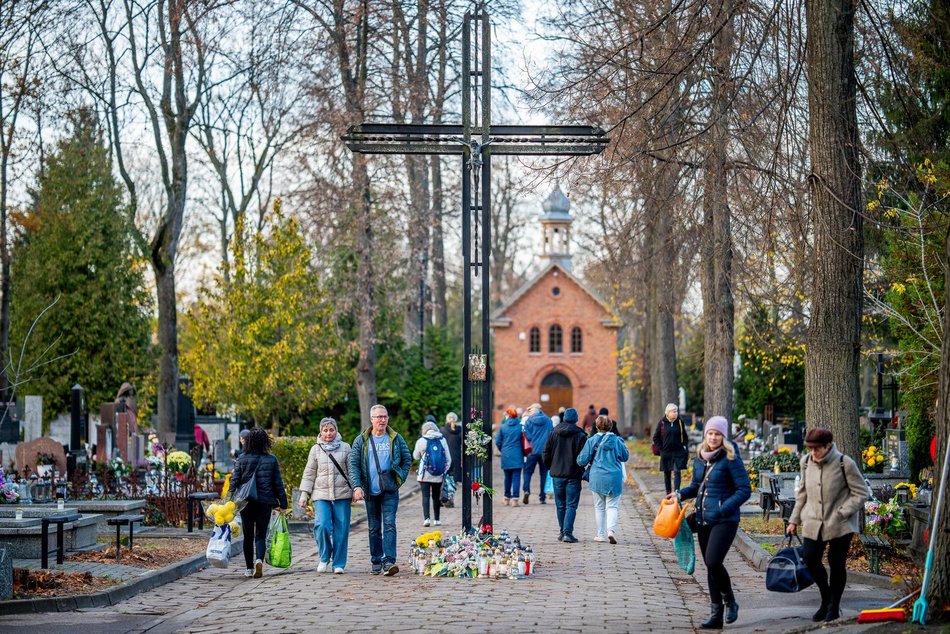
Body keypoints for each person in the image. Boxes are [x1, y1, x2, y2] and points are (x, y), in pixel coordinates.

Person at [669, 416, 751, 629]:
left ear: (723, 436)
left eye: (717, 434)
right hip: (704, 519)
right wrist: (679, 495)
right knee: (710, 566)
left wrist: (724, 507)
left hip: (725, 520)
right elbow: (696, 485)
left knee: (714, 561)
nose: (713, 437)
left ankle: (730, 600)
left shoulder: (730, 458)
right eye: (710, 433)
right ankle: (716, 615)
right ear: (706, 435)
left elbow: (745, 490)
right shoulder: (700, 457)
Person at [787, 428, 870, 623]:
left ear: (828, 446)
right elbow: (803, 493)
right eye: (810, 448)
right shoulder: (806, 462)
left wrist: (843, 511)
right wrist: (793, 520)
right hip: (813, 521)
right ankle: (826, 599)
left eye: (817, 449)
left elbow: (861, 493)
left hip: (839, 524)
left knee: (836, 562)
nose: (813, 453)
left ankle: (834, 605)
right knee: (810, 558)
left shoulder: (844, 463)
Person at [349, 404, 412, 576]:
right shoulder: (361, 440)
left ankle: (389, 561)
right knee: (374, 527)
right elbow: (353, 465)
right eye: (378, 417)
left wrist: (399, 477)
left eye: (385, 416)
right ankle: (376, 560)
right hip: (370, 490)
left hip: (389, 490)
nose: (382, 420)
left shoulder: (396, 438)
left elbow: (407, 459)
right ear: (371, 419)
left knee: (389, 524)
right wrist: (357, 486)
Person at [230, 428, 288, 578]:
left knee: (248, 535)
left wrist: (228, 501)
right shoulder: (271, 459)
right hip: (265, 502)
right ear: (265, 442)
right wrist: (283, 503)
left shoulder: (241, 459)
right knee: (261, 535)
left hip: (246, 502)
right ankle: (259, 561)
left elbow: (234, 481)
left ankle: (249, 568)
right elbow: (278, 484)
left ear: (248, 442)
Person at [298, 417, 352, 574]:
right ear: (320, 432)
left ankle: (338, 563)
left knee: (341, 529)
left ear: (336, 430)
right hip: (320, 493)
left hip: (342, 493)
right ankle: (324, 556)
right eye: (325, 430)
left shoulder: (346, 447)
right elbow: (309, 473)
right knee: (322, 525)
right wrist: (304, 494)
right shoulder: (315, 449)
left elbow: (352, 471)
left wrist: (356, 489)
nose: (329, 433)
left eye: (331, 430)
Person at [577, 415, 630, 543]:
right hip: (614, 477)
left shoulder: (591, 441)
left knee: (599, 506)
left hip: (597, 477)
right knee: (612, 506)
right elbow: (625, 457)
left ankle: (600, 534)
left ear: (597, 426)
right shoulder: (617, 441)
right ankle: (611, 531)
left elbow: (581, 460)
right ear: (610, 426)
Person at [542, 407, 587, 542]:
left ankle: (562, 532)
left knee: (560, 504)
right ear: (576, 419)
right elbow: (584, 456)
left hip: (557, 474)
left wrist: (551, 467)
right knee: (571, 505)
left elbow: (545, 453)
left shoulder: (553, 433)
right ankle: (568, 532)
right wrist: (581, 468)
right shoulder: (581, 435)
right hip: (573, 474)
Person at [412, 420, 452, 526]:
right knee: (436, 496)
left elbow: (415, 456)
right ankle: (437, 520)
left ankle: (427, 519)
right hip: (438, 474)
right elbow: (448, 458)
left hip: (424, 474)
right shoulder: (442, 440)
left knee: (425, 496)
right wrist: (444, 470)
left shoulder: (421, 440)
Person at [653, 403, 689, 495]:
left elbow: (685, 436)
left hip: (678, 452)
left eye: (676, 411)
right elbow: (656, 437)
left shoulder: (680, 422)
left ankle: (676, 492)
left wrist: (684, 446)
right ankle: (668, 493)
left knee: (677, 471)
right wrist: (661, 449)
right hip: (666, 452)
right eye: (673, 411)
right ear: (668, 413)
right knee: (667, 473)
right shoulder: (662, 422)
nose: (676, 413)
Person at [522, 404, 553, 504]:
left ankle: (526, 491)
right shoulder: (548, 421)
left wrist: (532, 441)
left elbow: (527, 435)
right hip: (544, 451)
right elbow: (551, 435)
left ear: (533, 411)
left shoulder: (529, 421)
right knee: (543, 474)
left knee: (527, 472)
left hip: (532, 450)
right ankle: (542, 497)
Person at [495, 407, 526, 506]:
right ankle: (515, 499)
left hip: (506, 454)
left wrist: (502, 449)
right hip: (518, 454)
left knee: (507, 477)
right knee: (516, 477)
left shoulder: (502, 427)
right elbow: (525, 440)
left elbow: (498, 441)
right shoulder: (520, 427)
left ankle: (506, 497)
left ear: (508, 415)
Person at [440, 412, 462, 508]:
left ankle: (442, 498)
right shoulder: (459, 430)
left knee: (443, 478)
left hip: (444, 458)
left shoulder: (442, 430)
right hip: (455, 458)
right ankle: (450, 498)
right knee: (452, 479)